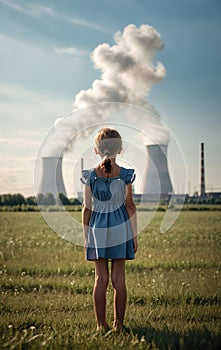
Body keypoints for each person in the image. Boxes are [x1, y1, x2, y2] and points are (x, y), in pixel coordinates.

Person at [81, 127, 138, 333]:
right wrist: (134, 235)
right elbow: (130, 206)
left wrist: (87, 236)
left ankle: (100, 325)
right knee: (119, 280)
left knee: (100, 279)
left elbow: (87, 208)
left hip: (97, 228)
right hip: (121, 228)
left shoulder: (90, 176)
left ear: (96, 150)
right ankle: (119, 325)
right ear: (120, 149)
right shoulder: (126, 175)